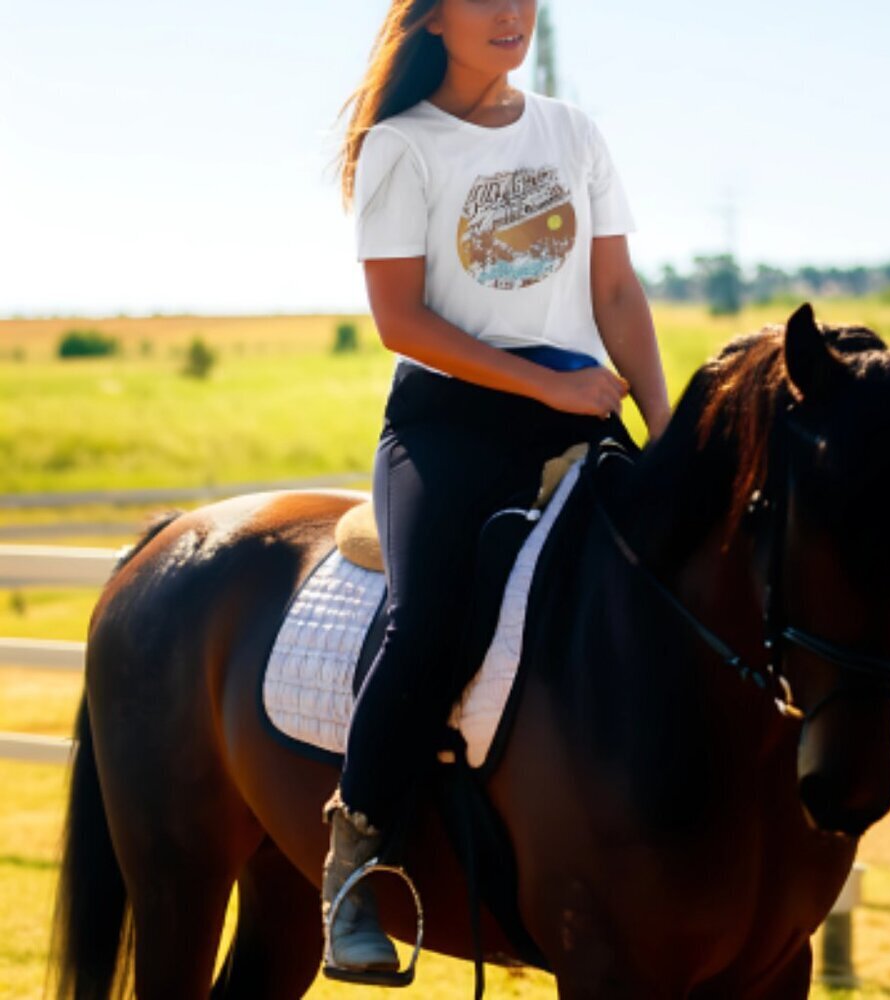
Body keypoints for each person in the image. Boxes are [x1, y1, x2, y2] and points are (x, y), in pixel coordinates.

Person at [323, 0, 671, 980]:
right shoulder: (402, 146)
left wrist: (665, 424)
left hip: (579, 408)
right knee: (430, 620)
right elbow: (400, 320)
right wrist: (547, 382)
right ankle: (354, 863)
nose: (512, 13)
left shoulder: (572, 130)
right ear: (431, 19)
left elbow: (612, 292)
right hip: (448, 422)